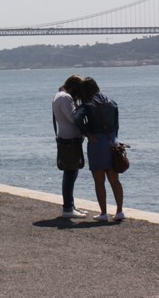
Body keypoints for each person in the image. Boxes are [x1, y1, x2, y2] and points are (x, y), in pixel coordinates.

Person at [75, 76, 125, 221]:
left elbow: (77, 118)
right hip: (112, 142)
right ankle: (120, 211)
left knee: (99, 181)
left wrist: (87, 134)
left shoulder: (87, 104)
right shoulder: (111, 102)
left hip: (97, 143)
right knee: (115, 180)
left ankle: (103, 213)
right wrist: (114, 137)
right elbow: (116, 124)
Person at [52, 74, 87, 219]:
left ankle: (70, 205)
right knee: (70, 173)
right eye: (78, 91)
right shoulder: (65, 98)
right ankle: (68, 208)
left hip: (67, 139)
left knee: (71, 173)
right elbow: (74, 118)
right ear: (74, 87)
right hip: (70, 140)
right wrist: (83, 108)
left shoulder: (59, 95)